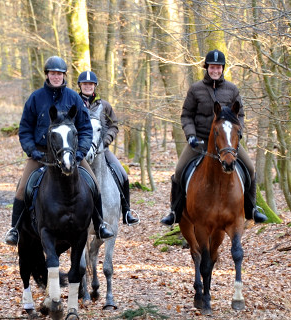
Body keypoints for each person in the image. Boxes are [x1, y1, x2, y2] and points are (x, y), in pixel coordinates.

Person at [4, 56, 114, 245]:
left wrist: (80, 152)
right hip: (42, 154)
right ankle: (15, 230)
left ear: (64, 76)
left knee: (94, 184)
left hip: (71, 154)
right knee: (23, 188)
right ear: (47, 75)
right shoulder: (35, 98)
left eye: (60, 74)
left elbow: (86, 128)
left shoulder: (73, 98)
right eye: (53, 73)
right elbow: (25, 129)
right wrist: (32, 150)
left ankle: (100, 224)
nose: (56, 77)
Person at [160, 49, 267, 226]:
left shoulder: (232, 89)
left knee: (250, 168)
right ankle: (174, 212)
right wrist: (191, 136)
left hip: (226, 141)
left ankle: (252, 209)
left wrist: (237, 133)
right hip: (200, 140)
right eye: (212, 67)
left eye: (218, 67)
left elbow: (240, 115)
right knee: (179, 172)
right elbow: (186, 115)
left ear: (222, 68)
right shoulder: (195, 89)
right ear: (207, 68)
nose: (215, 71)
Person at [77, 70, 139, 225]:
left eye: (90, 84)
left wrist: (105, 141)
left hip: (101, 150)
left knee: (122, 173)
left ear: (95, 86)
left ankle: (126, 211)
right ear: (80, 85)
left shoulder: (104, 105)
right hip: (79, 151)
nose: (88, 87)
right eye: (85, 84)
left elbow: (114, 126)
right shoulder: (74, 103)